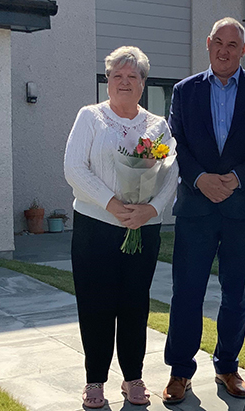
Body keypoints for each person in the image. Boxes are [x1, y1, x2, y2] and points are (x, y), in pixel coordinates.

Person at [162, 17, 245, 403]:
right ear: (208, 44)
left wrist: (237, 178)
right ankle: (180, 372)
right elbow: (176, 140)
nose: (225, 51)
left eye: (234, 45)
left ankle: (227, 365)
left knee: (236, 294)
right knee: (187, 293)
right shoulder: (184, 91)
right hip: (197, 207)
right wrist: (200, 179)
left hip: (243, 209)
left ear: (244, 50)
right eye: (219, 43)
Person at [64, 46, 178, 408]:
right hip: (95, 227)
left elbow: (172, 173)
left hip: (143, 227)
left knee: (134, 305)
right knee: (95, 305)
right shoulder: (90, 117)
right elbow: (74, 168)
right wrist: (113, 205)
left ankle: (133, 377)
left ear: (143, 83)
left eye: (133, 76)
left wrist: (151, 209)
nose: (125, 82)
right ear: (108, 81)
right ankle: (94, 380)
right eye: (118, 76)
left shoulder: (157, 125)